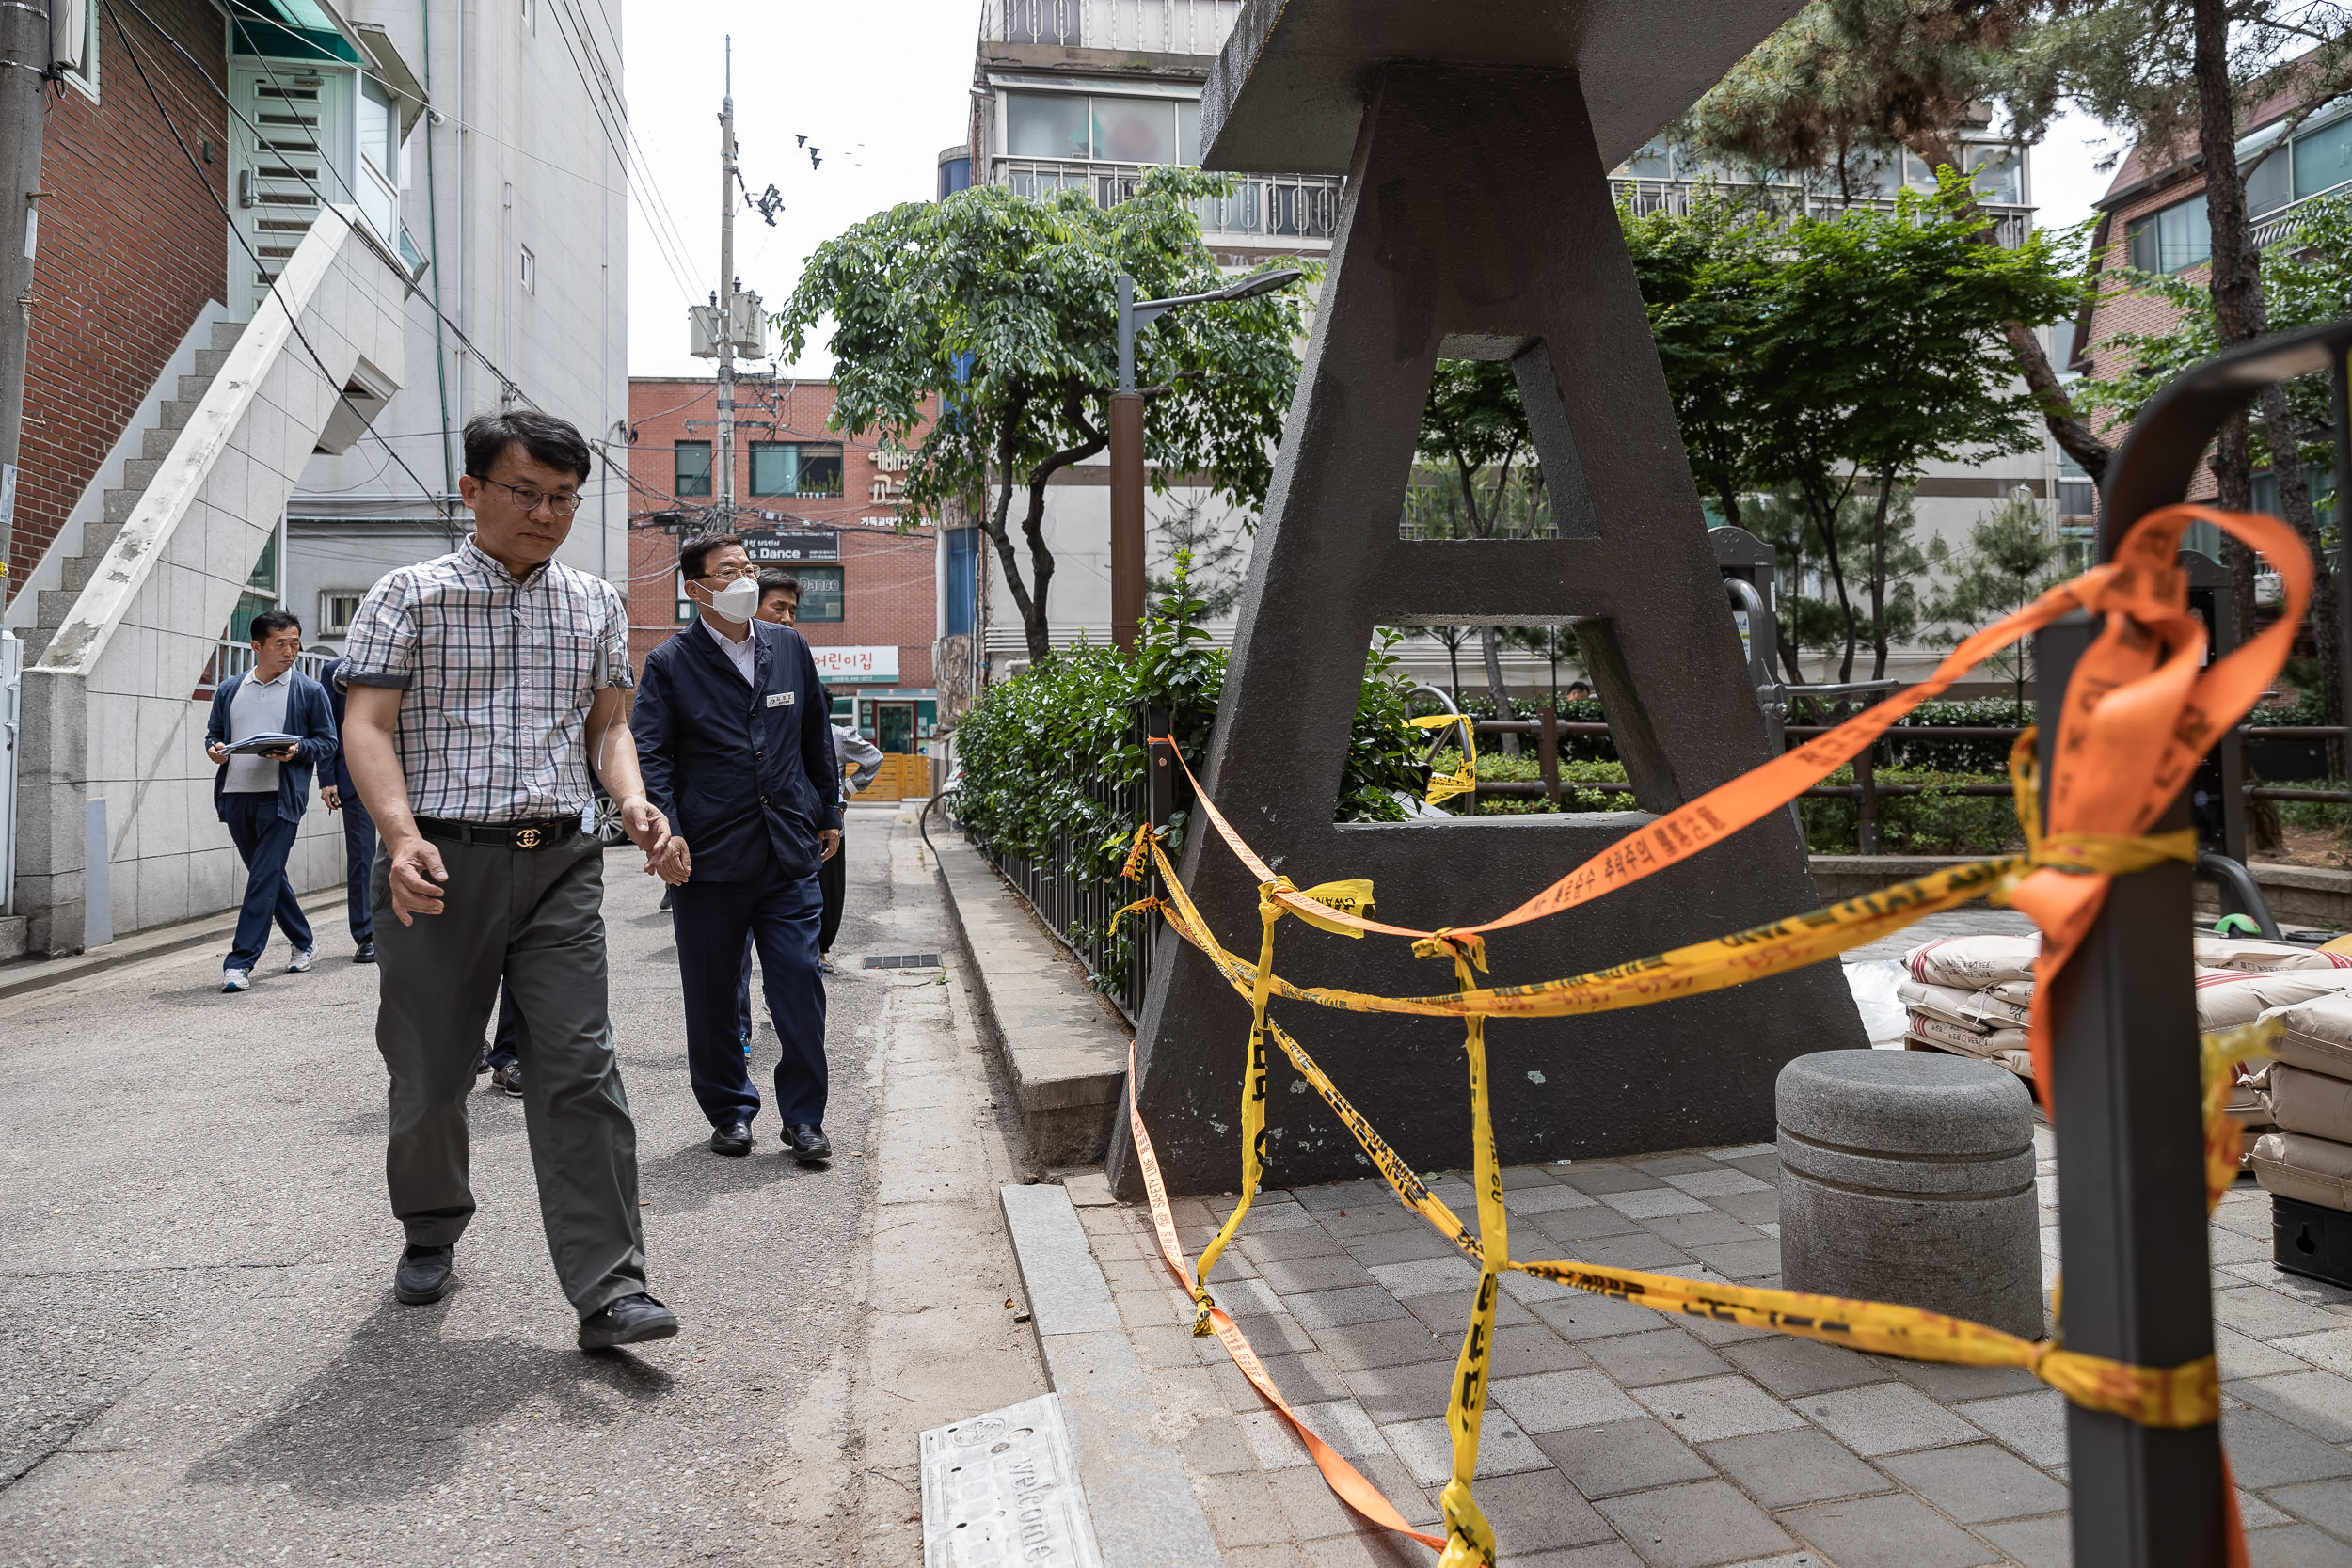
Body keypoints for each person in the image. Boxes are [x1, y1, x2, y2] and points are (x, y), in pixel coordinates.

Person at [337, 409, 681, 1353]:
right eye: (524, 492)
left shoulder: (596, 601)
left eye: (564, 497)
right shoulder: (409, 593)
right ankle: (431, 1222)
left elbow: (608, 726)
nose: (546, 513)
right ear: (472, 491)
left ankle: (611, 1286)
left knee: (580, 1064)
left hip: (560, 858)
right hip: (438, 860)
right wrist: (399, 835)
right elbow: (365, 723)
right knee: (432, 1074)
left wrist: (635, 799)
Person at [633, 534, 839, 1164]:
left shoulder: (789, 646)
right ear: (697, 589)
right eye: (729, 571)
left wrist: (828, 810)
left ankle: (804, 1118)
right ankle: (730, 1111)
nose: (745, 578)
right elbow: (652, 755)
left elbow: (815, 733)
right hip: (708, 862)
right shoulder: (670, 663)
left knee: (799, 983)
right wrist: (665, 833)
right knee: (715, 993)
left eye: (748, 567)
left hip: (787, 855)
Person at [754, 575, 881, 976]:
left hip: (814, 823)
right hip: (756, 824)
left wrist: (838, 799)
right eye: (779, 608)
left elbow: (866, 760)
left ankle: (814, 956)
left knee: (819, 895)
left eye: (794, 611)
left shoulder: (797, 660)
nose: (789, 619)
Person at [206, 610, 338, 993]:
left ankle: (239, 962)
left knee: (262, 877)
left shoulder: (308, 691)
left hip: (281, 799)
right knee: (269, 877)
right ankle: (304, 939)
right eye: (280, 643)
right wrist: (215, 750)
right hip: (235, 796)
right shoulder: (231, 689)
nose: (290, 651)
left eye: (295, 642)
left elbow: (327, 743)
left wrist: (296, 749)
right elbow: (214, 734)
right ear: (257, 646)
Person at [316, 654, 376, 964]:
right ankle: (366, 934)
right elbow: (328, 726)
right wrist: (327, 777)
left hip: (411, 773)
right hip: (354, 775)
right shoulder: (335, 670)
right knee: (362, 858)